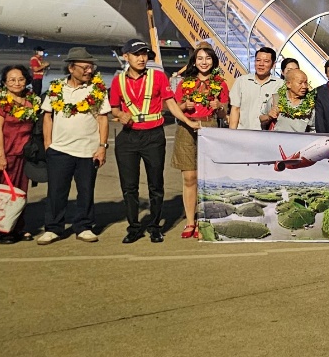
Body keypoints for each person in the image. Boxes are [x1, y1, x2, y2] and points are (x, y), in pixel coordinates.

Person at [109, 39, 193, 244]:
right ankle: (134, 227)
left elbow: (171, 104)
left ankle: (155, 226)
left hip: (153, 136)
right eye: (137, 54)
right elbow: (114, 108)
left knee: (156, 184)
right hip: (128, 138)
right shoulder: (118, 81)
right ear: (125, 56)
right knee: (129, 186)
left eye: (144, 54)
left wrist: (188, 121)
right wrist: (121, 114)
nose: (142, 58)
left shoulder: (158, 77)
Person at [34, 48, 111, 245]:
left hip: (88, 150)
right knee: (56, 192)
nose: (89, 71)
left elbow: (103, 119)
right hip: (60, 150)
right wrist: (48, 145)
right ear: (71, 67)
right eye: (84, 67)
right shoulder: (56, 88)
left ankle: (84, 226)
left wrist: (102, 146)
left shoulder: (97, 89)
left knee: (86, 191)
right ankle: (53, 228)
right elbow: (48, 117)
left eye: (90, 67)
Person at [171, 45, 229, 240]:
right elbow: (174, 106)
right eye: (200, 58)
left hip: (209, 127)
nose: (204, 62)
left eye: (208, 58)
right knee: (189, 177)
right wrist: (183, 105)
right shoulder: (185, 83)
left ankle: (204, 220)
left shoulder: (220, 83)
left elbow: (224, 113)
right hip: (186, 128)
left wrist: (219, 106)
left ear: (213, 61)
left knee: (207, 178)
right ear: (194, 61)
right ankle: (190, 221)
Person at [0, 64, 38, 244]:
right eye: (12, 80)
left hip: (23, 154)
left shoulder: (31, 100)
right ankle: (2, 229)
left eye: (21, 79)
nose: (17, 83)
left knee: (20, 192)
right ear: (5, 83)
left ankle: (18, 226)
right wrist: (0, 156)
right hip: (5, 152)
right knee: (4, 193)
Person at [228, 47, 281, 131]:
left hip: (268, 136)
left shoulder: (280, 85)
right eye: (258, 60)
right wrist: (232, 133)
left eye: (266, 61)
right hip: (244, 133)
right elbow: (235, 109)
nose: (261, 64)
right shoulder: (241, 81)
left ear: (273, 65)